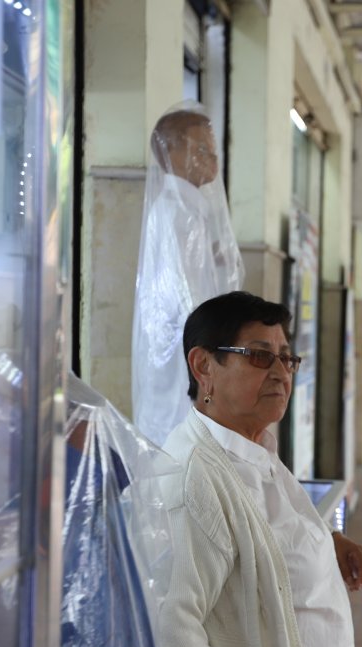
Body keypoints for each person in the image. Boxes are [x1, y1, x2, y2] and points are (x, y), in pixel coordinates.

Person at [157, 291, 362, 647]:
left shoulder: (253, 448)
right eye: (260, 357)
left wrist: (327, 542)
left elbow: (265, 531)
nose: (281, 373)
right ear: (203, 365)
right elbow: (171, 635)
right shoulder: (194, 479)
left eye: (287, 358)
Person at [132, 106, 245, 446]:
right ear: (172, 153)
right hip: (185, 368)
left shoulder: (192, 212)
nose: (211, 158)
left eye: (212, 149)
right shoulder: (174, 212)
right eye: (200, 149)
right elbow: (187, 303)